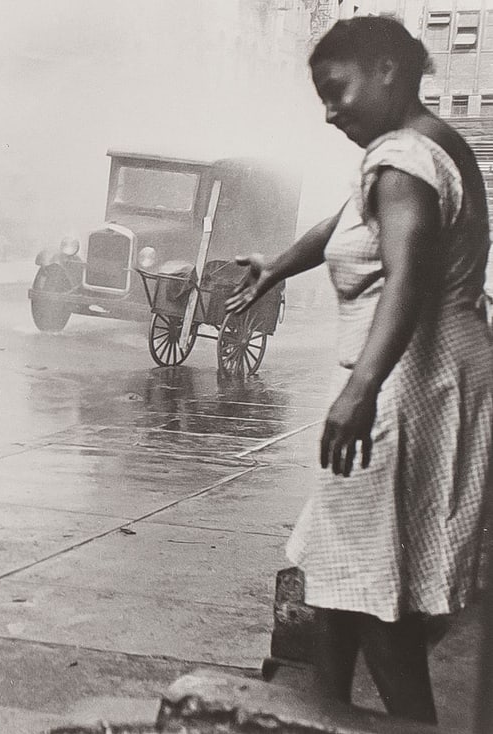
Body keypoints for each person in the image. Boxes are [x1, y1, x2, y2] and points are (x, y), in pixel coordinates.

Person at [226, 16, 493, 724]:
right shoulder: (421, 145)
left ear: (386, 70)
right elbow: (345, 222)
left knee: (375, 589)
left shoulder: (401, 162)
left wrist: (360, 388)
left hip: (406, 382)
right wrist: (278, 264)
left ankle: (406, 725)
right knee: (338, 569)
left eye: (336, 90)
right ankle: (327, 710)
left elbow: (406, 275)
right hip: (434, 375)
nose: (328, 111)